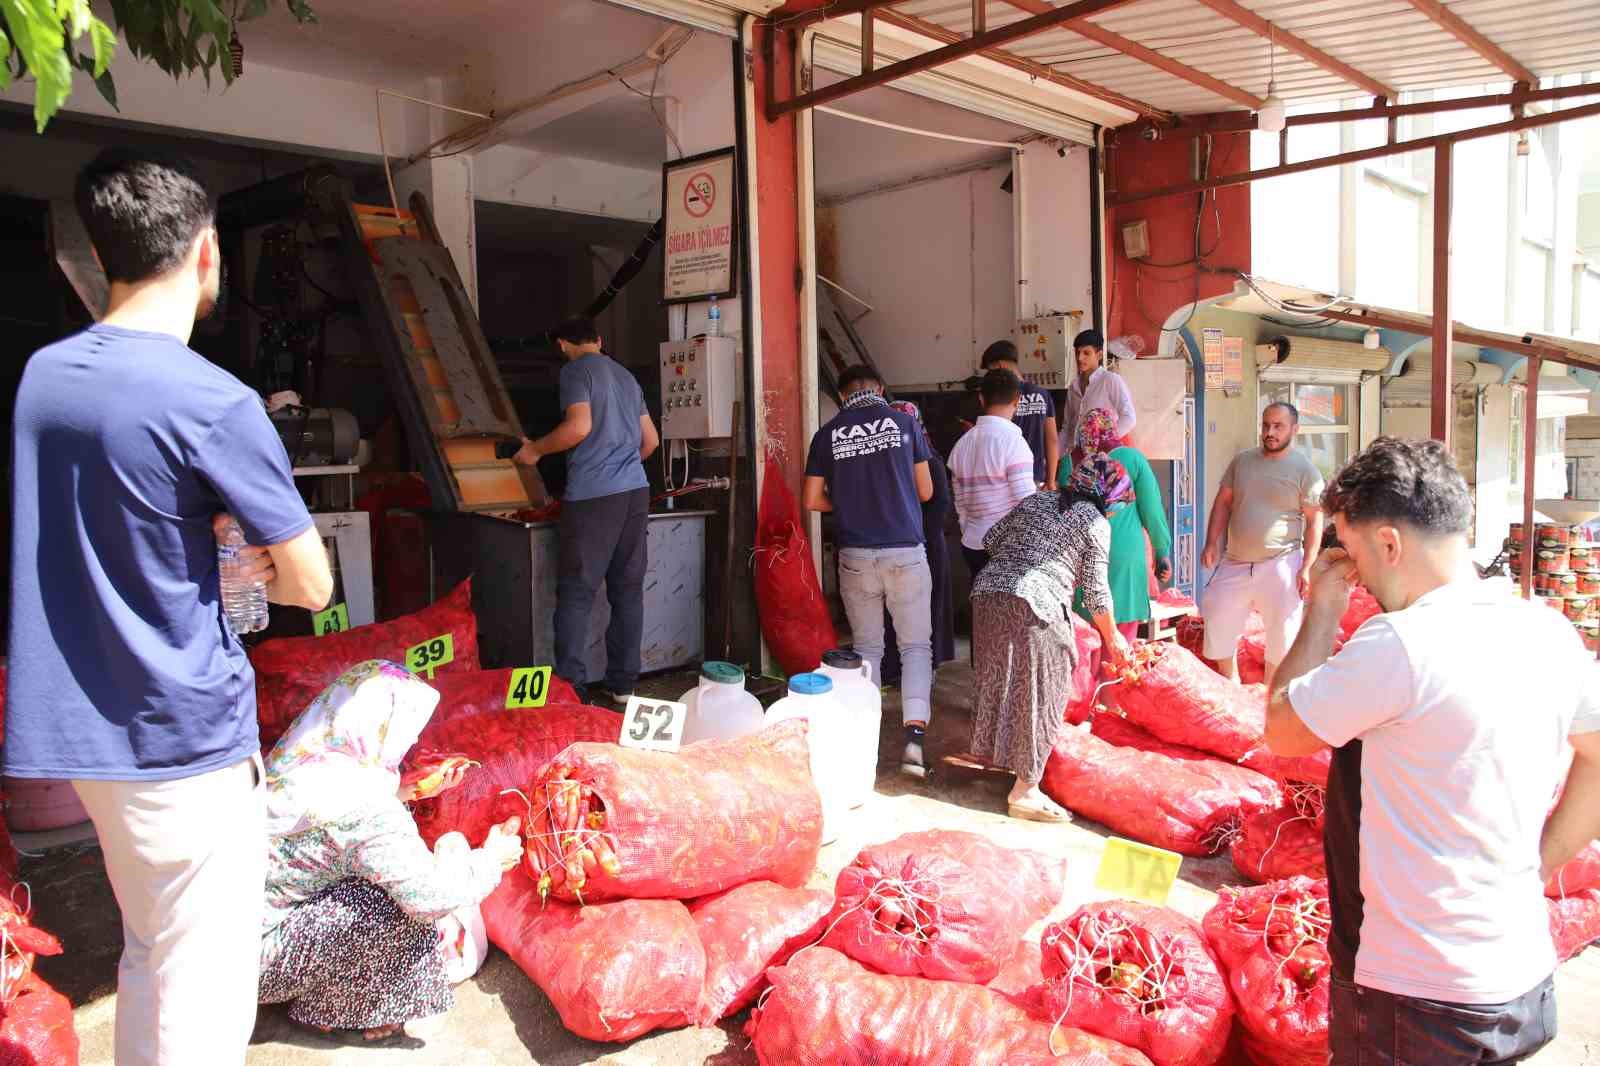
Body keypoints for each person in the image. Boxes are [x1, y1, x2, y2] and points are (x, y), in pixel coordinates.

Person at [5, 149, 333, 1066]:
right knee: (204, 985)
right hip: (180, 735)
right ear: (205, 252)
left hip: (88, 740)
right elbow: (312, 585)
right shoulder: (213, 402)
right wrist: (252, 546)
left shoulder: (44, 379)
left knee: (152, 948)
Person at [1261, 437, 1600, 1066]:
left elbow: (1282, 728)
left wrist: (1324, 604)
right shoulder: (1548, 630)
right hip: (1520, 976)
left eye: (1351, 547)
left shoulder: (1400, 644)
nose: (1352, 566)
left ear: (1389, 543)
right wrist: (1539, 865)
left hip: (1416, 997)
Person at [258, 661, 523, 1041]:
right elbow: (431, 897)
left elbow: (331, 830)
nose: (411, 743)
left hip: (210, 943)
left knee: (379, 882)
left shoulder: (305, 758)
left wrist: (406, 793)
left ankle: (324, 996)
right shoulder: (367, 808)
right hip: (254, 966)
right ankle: (337, 1011)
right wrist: (492, 858)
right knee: (392, 903)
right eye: (406, 730)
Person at [970, 456, 1133, 821]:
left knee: (1004, 680)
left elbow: (991, 539)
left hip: (987, 593)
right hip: (1035, 603)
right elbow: (1094, 593)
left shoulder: (1036, 500)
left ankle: (1004, 762)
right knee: (1047, 688)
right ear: (1110, 498)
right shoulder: (1094, 522)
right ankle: (1026, 790)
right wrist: (1115, 639)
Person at [513, 316, 660, 708]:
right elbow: (651, 441)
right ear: (598, 340)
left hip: (594, 497)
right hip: (634, 493)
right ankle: (624, 686)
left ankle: (571, 688)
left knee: (577, 593)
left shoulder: (576, 372)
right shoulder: (627, 377)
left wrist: (536, 450)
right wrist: (623, 465)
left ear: (562, 345)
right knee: (628, 591)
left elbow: (578, 427)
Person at [804, 365, 935, 777]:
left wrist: (846, 502)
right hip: (905, 553)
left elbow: (811, 498)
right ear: (879, 388)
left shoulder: (826, 435)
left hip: (856, 555)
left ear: (843, 395)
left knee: (868, 650)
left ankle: (867, 742)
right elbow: (926, 490)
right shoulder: (904, 424)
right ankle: (914, 741)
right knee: (915, 647)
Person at [1199, 403, 1325, 688]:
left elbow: (1315, 521)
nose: (1270, 432)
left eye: (1278, 426)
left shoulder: (1306, 471)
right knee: (1216, 613)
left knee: (1282, 631)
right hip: (1235, 559)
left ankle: (1269, 693)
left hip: (1282, 559)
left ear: (1295, 429)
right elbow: (1223, 502)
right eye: (1266, 425)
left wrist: (1307, 566)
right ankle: (1230, 682)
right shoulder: (1242, 461)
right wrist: (1211, 543)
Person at [1063, 407, 1172, 641]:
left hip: (1082, 559)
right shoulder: (1133, 459)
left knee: (1086, 640)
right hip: (1126, 558)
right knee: (1122, 643)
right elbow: (1152, 510)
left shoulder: (1070, 463)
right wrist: (1162, 551)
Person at [881, 400, 955, 680]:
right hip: (899, 546)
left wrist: (917, 538)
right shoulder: (890, 465)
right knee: (896, 609)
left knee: (926, 608)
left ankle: (928, 667)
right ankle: (894, 667)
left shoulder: (931, 462)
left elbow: (940, 505)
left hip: (926, 545)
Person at [949, 368, 1037, 581]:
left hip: (973, 544)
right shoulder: (1014, 443)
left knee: (982, 610)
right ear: (1017, 400)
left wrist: (968, 529)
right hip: (1007, 548)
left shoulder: (961, 445)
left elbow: (960, 503)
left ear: (981, 398)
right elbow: (1027, 502)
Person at [979, 339, 1059, 487]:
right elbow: (1052, 440)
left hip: (1008, 477)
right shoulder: (1043, 394)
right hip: (1036, 477)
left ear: (1000, 366)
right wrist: (1051, 480)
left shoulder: (1002, 396)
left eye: (991, 370)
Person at [1057, 329, 1136, 462]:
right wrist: (1055, 459)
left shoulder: (1110, 380)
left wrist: (1104, 444)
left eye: (1086, 353)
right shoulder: (1073, 387)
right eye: (1077, 353)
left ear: (1099, 355)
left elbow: (1129, 418)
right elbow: (1067, 428)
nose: (1080, 358)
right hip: (1078, 459)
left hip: (1108, 458)